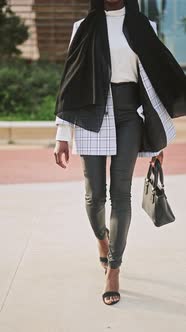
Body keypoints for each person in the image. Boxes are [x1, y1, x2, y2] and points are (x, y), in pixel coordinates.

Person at [53, 0, 186, 305]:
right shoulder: (82, 28)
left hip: (129, 116)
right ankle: (102, 239)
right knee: (94, 196)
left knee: (121, 193)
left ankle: (114, 268)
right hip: (90, 114)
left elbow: (154, 84)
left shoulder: (144, 27)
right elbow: (69, 83)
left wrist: (157, 139)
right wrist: (62, 134)